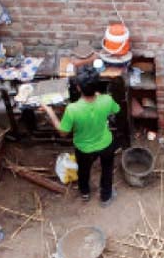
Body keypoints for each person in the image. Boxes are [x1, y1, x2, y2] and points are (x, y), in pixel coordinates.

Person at [42, 66, 120, 206]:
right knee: (107, 170)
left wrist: (50, 113)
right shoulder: (107, 100)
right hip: (106, 144)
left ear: (78, 88)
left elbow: (63, 132)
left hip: (84, 149)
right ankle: (105, 197)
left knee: (83, 171)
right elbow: (116, 109)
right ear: (97, 85)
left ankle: (85, 193)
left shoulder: (72, 109)